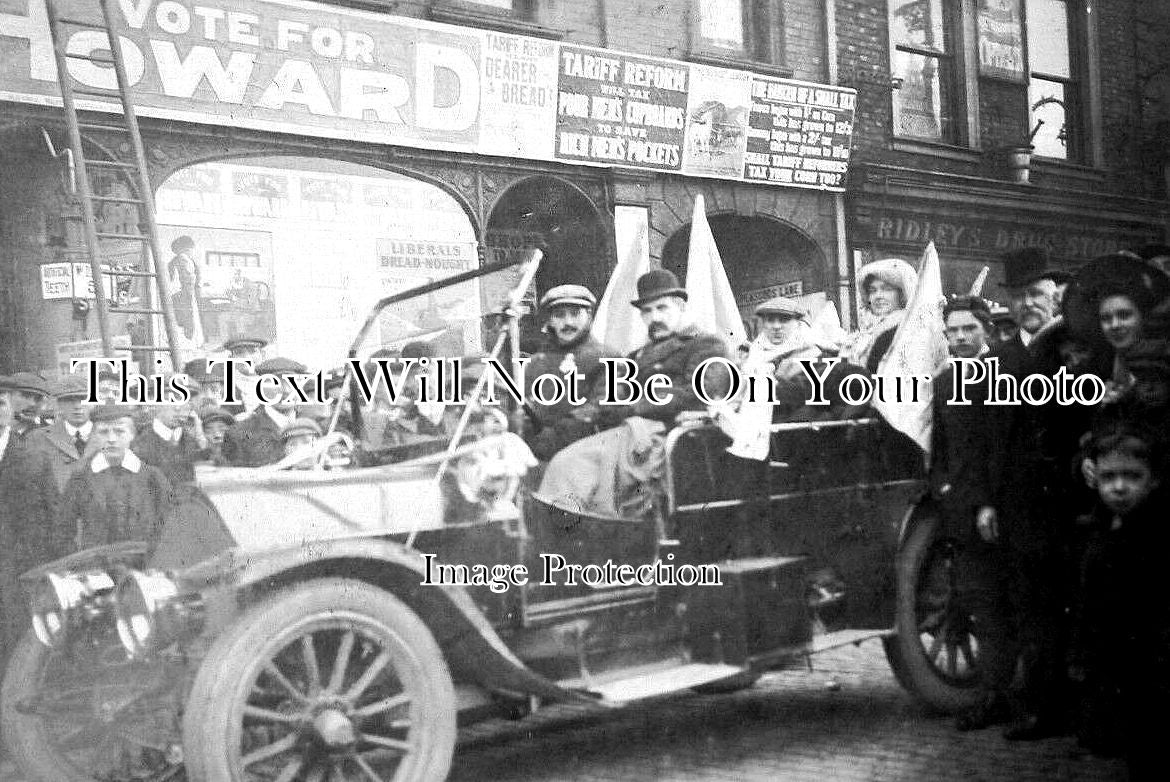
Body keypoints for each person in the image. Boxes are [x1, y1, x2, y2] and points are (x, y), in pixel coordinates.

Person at [535, 270, 730, 519]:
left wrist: (634, 406)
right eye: (647, 311)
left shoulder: (707, 344)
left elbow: (700, 393)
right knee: (563, 461)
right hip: (633, 433)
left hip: (671, 437)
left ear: (681, 307)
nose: (654, 317)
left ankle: (575, 529)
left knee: (571, 464)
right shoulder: (638, 355)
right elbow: (613, 395)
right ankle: (574, 529)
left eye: (662, 308)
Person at [930, 296, 1019, 732]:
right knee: (981, 603)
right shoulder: (945, 381)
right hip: (960, 511)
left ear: (985, 329)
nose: (960, 337)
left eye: (968, 329)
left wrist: (987, 502)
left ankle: (1012, 692)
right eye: (953, 331)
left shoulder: (1002, 376)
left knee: (1007, 603)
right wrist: (943, 487)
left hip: (999, 507)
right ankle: (995, 695)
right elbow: (942, 446)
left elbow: (998, 447)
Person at [1069, 425, 1166, 779]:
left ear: (1153, 480)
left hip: (1154, 669)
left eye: (1132, 477)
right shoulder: (1102, 529)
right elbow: (1090, 600)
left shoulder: (1155, 535)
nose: (1120, 487)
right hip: (1120, 668)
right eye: (1109, 477)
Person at [57, 404, 173, 551]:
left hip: (143, 566)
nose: (111, 439)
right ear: (93, 436)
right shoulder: (81, 478)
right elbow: (63, 531)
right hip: (95, 568)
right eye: (103, 432)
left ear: (132, 434)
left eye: (119, 431)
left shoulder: (153, 477)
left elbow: (169, 526)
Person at [523, 284, 619, 460]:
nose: (568, 322)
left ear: (589, 316)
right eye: (559, 315)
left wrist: (554, 437)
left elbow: (601, 407)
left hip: (587, 452)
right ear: (550, 320)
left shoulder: (607, 358)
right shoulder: (534, 363)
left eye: (575, 314)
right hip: (534, 453)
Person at [21, 374, 100, 492]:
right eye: (69, 400)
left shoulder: (108, 435)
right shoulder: (37, 438)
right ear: (59, 404)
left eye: (84, 399)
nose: (77, 406)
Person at [222, 357, 306, 467]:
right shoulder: (239, 434)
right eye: (275, 383)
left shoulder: (319, 429)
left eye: (292, 383)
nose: (285, 390)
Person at [845, 258, 918, 372]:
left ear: (901, 294)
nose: (878, 296)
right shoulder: (866, 330)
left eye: (886, 289)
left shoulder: (905, 328)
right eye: (872, 290)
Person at [132, 387, 209, 487]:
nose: (179, 407)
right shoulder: (139, 445)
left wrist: (201, 440)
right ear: (153, 405)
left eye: (185, 401)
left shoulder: (196, 442)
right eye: (171, 400)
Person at [169, 235, 205, 343]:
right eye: (191, 249)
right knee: (188, 317)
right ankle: (190, 340)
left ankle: (190, 339)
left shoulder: (179, 261)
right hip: (185, 293)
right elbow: (185, 278)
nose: (192, 252)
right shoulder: (183, 260)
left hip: (185, 293)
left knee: (188, 317)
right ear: (185, 249)